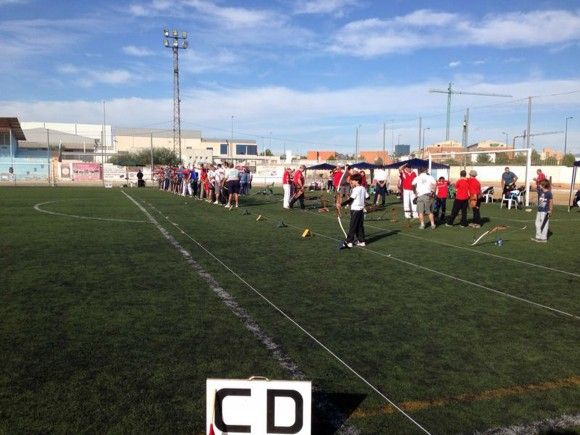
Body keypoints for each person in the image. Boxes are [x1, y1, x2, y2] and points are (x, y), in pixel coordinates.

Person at [338, 172, 369, 249]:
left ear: (357, 181)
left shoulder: (356, 189)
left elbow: (350, 200)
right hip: (361, 210)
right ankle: (362, 241)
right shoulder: (363, 188)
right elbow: (368, 197)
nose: (352, 182)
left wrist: (341, 204)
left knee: (353, 226)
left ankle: (349, 242)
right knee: (359, 226)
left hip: (355, 210)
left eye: (353, 180)